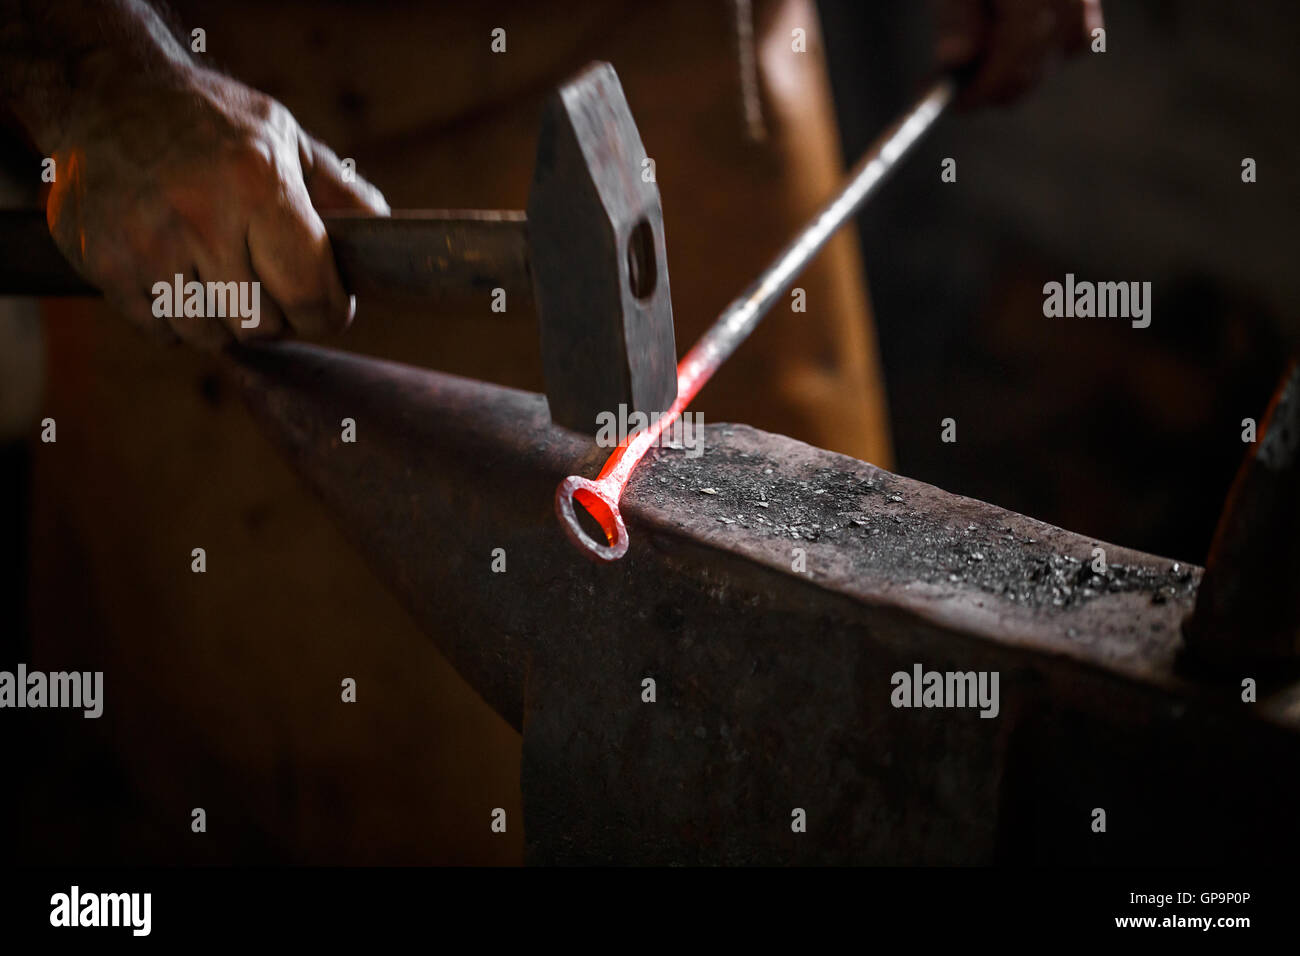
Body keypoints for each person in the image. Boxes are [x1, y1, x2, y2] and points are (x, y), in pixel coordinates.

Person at [0, 0, 1101, 865]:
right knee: (303, 788)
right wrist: (101, 75)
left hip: (687, 64)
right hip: (233, 145)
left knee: (825, 728)